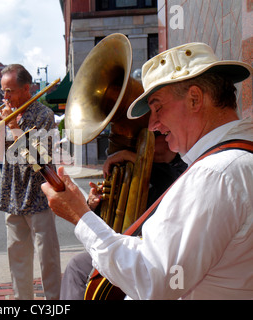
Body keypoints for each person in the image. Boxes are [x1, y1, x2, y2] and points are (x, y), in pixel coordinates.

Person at [41, 42, 253, 300]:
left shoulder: (214, 174)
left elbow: (153, 281)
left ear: (195, 98)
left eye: (157, 107)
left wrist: (80, 216)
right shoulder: (233, 160)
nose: (151, 124)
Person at [60, 133, 187, 299]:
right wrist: (94, 204)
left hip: (155, 258)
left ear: (165, 138)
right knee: (76, 266)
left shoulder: (182, 167)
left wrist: (131, 156)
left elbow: (169, 179)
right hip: (126, 246)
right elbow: (108, 222)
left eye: (154, 136)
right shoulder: (135, 167)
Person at [0, 64, 61, 300]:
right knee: (17, 257)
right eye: (3, 91)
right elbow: (0, 154)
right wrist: (1, 128)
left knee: (47, 258)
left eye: (10, 91)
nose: (5, 97)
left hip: (38, 193)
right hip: (12, 193)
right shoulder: (6, 114)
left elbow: (40, 159)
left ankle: (53, 302)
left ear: (26, 88)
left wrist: (13, 128)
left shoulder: (44, 115)